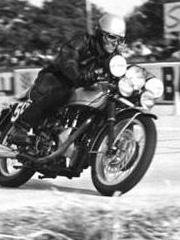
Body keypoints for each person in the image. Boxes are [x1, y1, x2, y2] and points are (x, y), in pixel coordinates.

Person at [9, 12, 126, 144]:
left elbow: (118, 70)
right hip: (56, 77)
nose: (115, 43)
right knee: (63, 93)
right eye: (111, 37)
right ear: (100, 34)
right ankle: (20, 128)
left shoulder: (112, 56)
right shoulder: (81, 41)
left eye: (120, 40)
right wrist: (79, 76)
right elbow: (68, 61)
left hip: (82, 85)